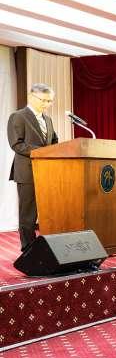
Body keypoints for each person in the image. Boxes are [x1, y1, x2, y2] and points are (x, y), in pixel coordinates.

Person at [7, 83, 59, 251]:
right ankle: (28, 249)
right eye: (43, 100)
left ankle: (47, 246)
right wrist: (43, 152)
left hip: (46, 171)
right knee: (28, 214)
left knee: (48, 211)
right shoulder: (18, 116)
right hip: (27, 172)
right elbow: (17, 144)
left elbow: (54, 141)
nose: (46, 104)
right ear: (31, 97)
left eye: (49, 101)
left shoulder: (48, 120)